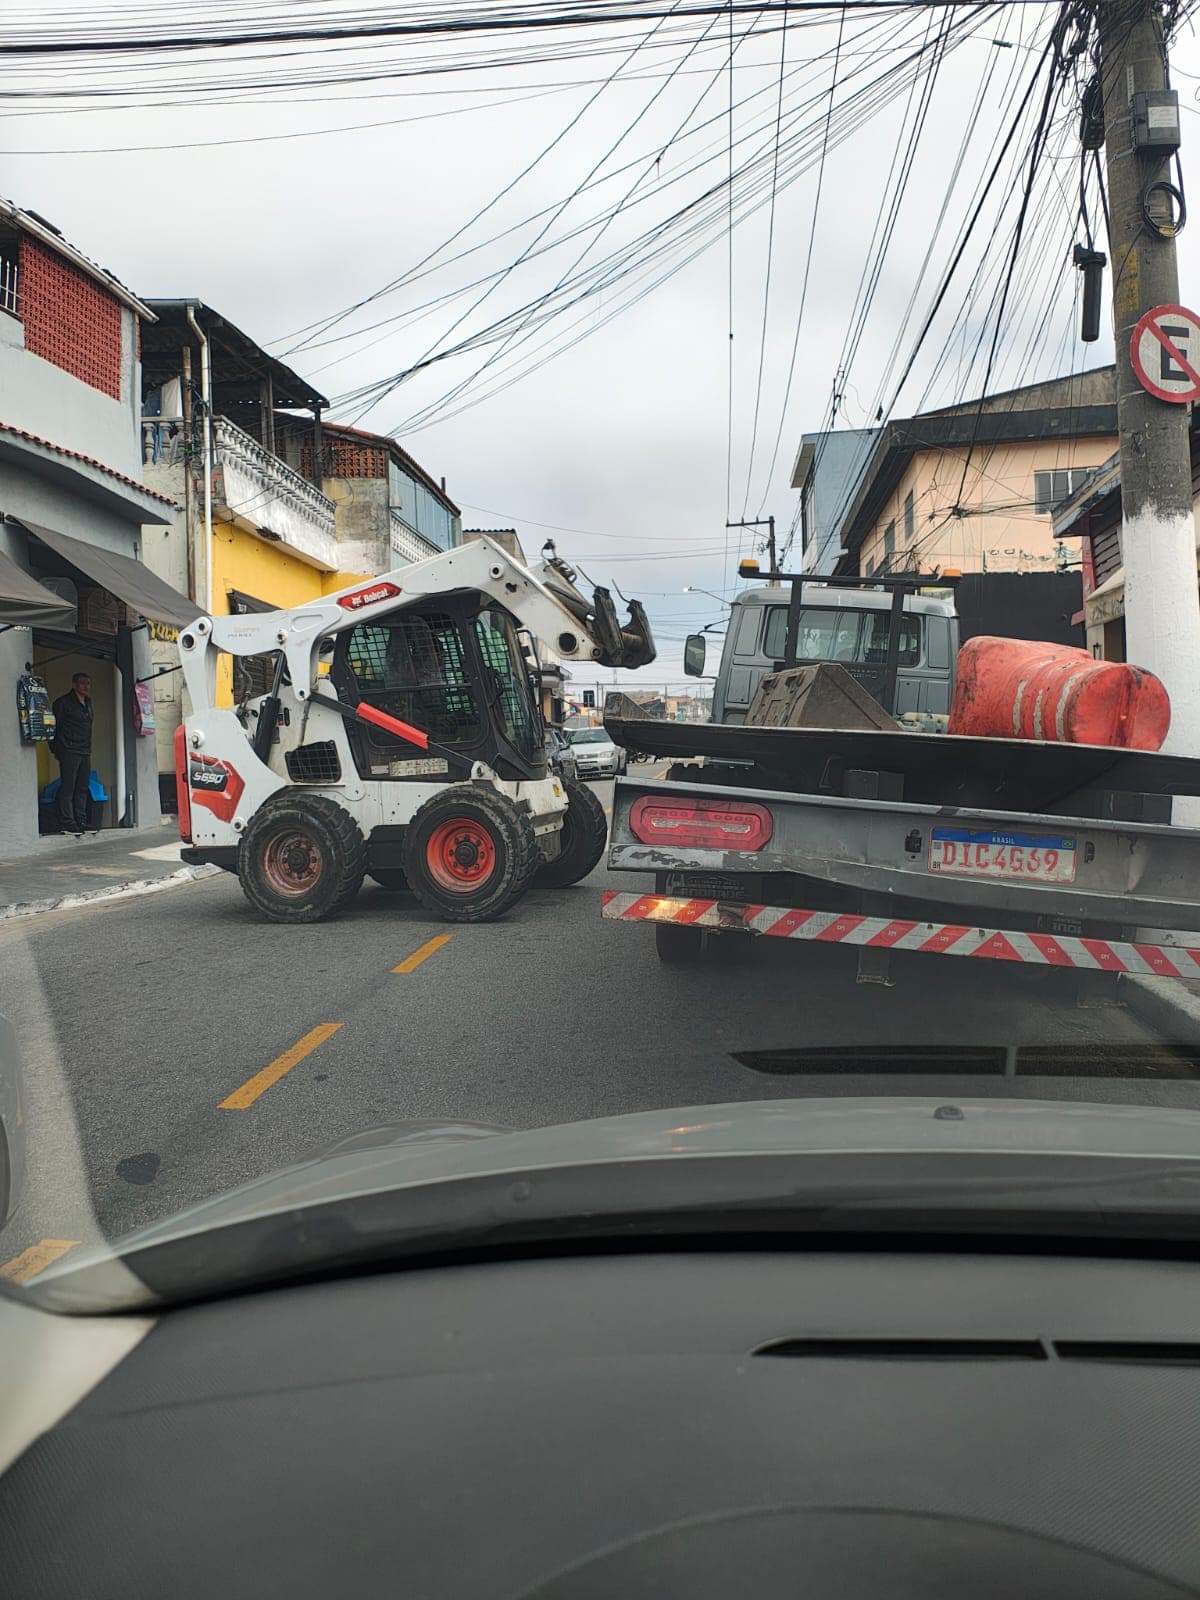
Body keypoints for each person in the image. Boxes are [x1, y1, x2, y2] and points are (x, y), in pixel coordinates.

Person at [51, 671, 94, 837]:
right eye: (83, 683)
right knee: (68, 787)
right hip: (69, 750)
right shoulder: (63, 703)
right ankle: (68, 822)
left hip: (84, 750)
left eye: (88, 683)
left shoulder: (88, 703)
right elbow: (55, 727)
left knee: (82, 786)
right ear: (74, 684)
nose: (86, 686)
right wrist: (57, 749)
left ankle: (81, 821)